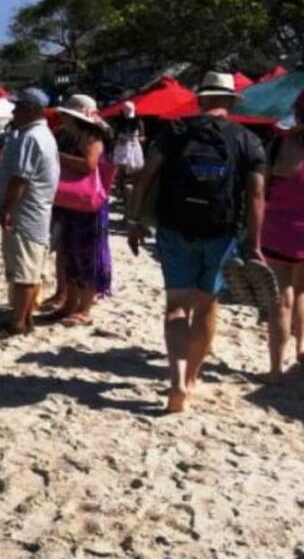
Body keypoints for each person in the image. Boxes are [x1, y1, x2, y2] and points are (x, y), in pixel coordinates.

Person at [128, 72, 269, 413]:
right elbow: (256, 194)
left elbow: (146, 176)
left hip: (175, 227)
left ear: (202, 99)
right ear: (231, 102)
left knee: (176, 306)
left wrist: (135, 220)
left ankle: (176, 381)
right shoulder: (247, 139)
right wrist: (254, 244)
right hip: (221, 232)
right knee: (206, 306)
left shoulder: (175, 131)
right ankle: (191, 378)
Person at [0, 88, 60, 339]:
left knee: (23, 272)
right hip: (34, 213)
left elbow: (20, 179)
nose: (13, 111)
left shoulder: (31, 137)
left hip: (25, 214)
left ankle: (18, 322)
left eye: (18, 107)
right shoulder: (41, 134)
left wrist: (7, 209)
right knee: (29, 268)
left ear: (30, 110)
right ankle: (25, 316)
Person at [45, 95, 114, 327]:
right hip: (74, 203)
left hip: (87, 205)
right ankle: (69, 304)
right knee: (70, 254)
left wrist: (58, 157)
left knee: (86, 255)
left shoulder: (91, 137)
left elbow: (88, 165)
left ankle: (84, 308)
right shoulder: (72, 136)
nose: (63, 118)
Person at [263, 89, 304, 381]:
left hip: (278, 229)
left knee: (281, 298)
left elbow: (260, 186)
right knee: (301, 292)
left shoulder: (280, 144)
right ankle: (301, 349)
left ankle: (276, 369)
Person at [112, 101, 146, 217]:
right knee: (121, 171)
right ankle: (121, 194)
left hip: (134, 148)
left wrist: (137, 138)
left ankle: (132, 198)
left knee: (135, 170)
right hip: (122, 148)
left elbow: (143, 137)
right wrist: (120, 138)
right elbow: (114, 136)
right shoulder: (119, 121)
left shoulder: (138, 121)